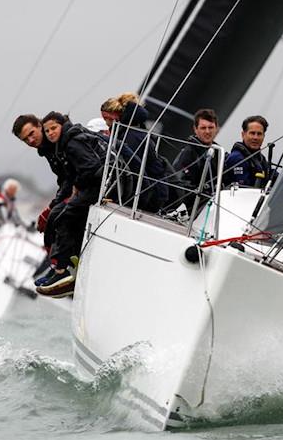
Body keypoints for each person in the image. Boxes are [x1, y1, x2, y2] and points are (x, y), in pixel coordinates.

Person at [34, 112, 108, 298]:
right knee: (57, 216)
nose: (50, 133)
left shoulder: (72, 142)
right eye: (47, 130)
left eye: (53, 128)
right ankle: (59, 268)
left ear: (62, 125)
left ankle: (64, 269)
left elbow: (91, 168)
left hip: (98, 186)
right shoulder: (63, 144)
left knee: (65, 217)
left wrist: (77, 185)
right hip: (91, 185)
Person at [12, 114, 72, 279]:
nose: (30, 140)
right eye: (25, 140)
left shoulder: (60, 140)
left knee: (57, 218)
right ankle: (57, 266)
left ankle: (62, 268)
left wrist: (52, 206)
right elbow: (63, 179)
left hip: (85, 186)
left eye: (31, 133)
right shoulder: (46, 148)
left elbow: (71, 175)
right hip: (73, 187)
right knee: (51, 219)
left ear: (39, 125)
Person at [100, 92, 171, 212]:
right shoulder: (137, 131)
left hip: (150, 196)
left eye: (107, 119)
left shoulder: (130, 136)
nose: (106, 123)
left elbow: (133, 168)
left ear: (116, 116)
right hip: (156, 190)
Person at [171, 108, 220, 213]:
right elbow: (179, 185)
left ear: (217, 128)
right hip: (192, 209)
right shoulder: (188, 153)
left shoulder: (219, 153)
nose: (207, 131)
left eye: (211, 127)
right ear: (195, 129)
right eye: (203, 128)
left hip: (212, 207)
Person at [223, 115, 271, 187]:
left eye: (259, 134)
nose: (255, 137)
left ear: (264, 136)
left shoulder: (261, 159)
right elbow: (242, 190)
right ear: (243, 134)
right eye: (252, 133)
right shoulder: (237, 158)